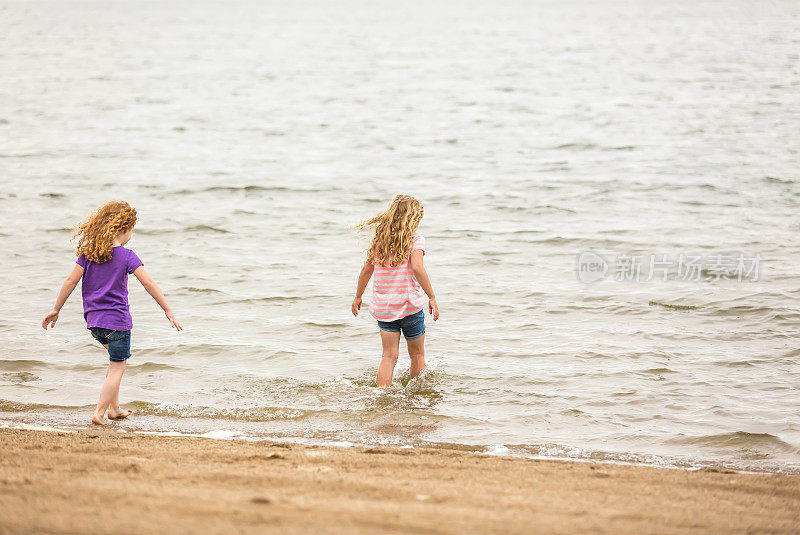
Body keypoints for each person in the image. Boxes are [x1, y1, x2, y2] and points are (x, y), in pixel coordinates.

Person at [41, 200, 182, 425]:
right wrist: (167, 309)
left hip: (94, 323)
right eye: (132, 230)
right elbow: (149, 283)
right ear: (124, 229)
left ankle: (114, 409)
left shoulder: (90, 253)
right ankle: (99, 412)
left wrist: (56, 309)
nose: (131, 236)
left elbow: (70, 281)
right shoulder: (127, 256)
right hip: (118, 323)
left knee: (114, 362)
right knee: (118, 366)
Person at [352, 194, 439, 387]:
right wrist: (431, 296)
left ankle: (382, 394)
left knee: (389, 356)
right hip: (409, 307)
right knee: (417, 354)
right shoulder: (415, 240)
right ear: (412, 220)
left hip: (385, 309)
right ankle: (417, 396)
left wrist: (358, 296)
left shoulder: (380, 241)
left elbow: (367, 269)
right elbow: (417, 267)